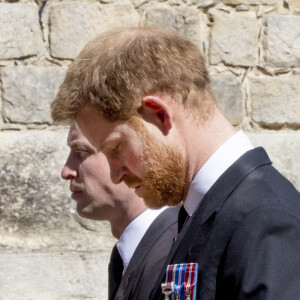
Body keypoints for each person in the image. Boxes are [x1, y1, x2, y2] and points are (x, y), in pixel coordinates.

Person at [51, 27, 300, 299]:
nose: (116, 174)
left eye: (116, 148)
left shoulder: (266, 221)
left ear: (158, 115)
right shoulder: (206, 211)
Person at [59, 121, 179, 300]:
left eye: (81, 152)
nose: (66, 171)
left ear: (134, 153)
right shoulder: (133, 254)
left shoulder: (174, 254)